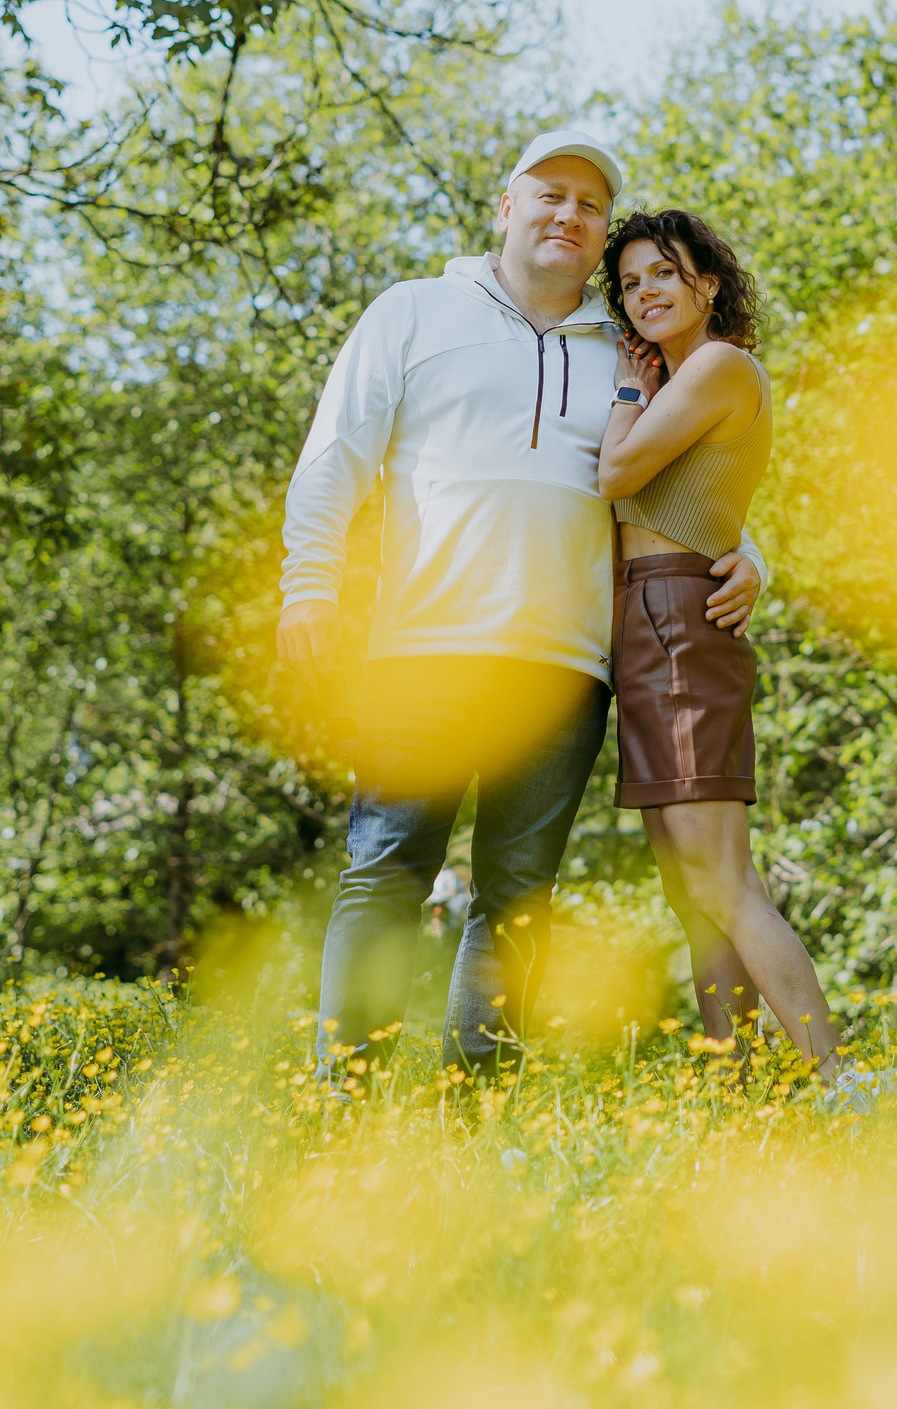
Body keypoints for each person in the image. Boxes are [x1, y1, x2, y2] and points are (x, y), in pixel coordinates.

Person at [276, 130, 767, 1081]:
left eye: (589, 204)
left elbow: (699, 476)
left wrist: (754, 558)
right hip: (421, 649)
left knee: (516, 898)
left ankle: (472, 1111)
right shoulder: (414, 312)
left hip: (565, 665)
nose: (568, 216)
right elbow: (334, 453)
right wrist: (309, 584)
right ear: (508, 208)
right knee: (384, 872)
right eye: (550, 195)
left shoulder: (634, 350)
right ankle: (346, 1099)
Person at [598, 209, 867, 1098]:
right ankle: (740, 1095)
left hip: (676, 617)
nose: (646, 294)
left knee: (724, 877)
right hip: (646, 619)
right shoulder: (686, 379)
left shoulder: (715, 365)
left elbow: (617, 475)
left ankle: (841, 1080)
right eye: (631, 283)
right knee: (695, 886)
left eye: (664, 273)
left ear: (709, 282)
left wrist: (628, 394)